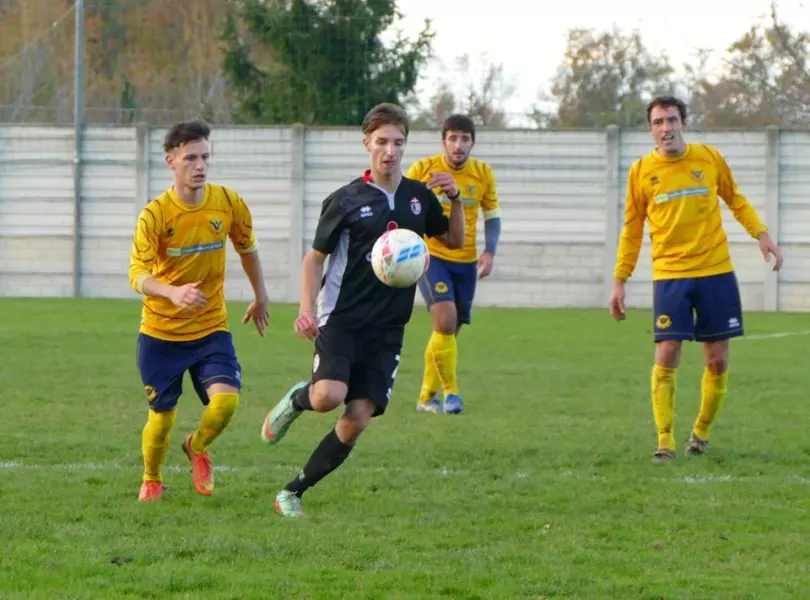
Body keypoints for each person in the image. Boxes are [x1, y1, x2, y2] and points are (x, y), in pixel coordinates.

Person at [259, 103, 465, 517]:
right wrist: (306, 309)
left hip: (388, 327)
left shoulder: (418, 198)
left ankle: (292, 493)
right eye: (383, 142)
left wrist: (456, 199)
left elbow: (455, 242)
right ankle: (297, 401)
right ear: (367, 143)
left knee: (356, 418)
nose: (390, 150)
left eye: (398, 143)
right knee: (326, 398)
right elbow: (314, 259)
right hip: (342, 317)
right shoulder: (345, 200)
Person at [608, 96, 783, 462]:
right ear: (651, 129)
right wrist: (620, 279)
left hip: (715, 272)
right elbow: (632, 229)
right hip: (670, 275)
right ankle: (665, 440)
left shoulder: (709, 158)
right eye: (658, 122)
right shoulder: (641, 171)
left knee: (717, 360)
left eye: (672, 120)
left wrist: (761, 234)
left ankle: (700, 433)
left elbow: (735, 200)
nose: (666, 128)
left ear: (684, 123)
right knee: (668, 350)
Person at [129, 119, 270, 501]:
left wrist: (261, 295)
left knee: (226, 402)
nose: (200, 165)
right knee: (161, 419)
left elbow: (247, 249)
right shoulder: (155, 215)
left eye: (205, 157)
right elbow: (137, 274)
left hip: (210, 328)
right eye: (190, 158)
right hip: (161, 334)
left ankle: (198, 447)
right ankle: (152, 479)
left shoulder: (228, 203)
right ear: (170, 161)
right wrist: (172, 293)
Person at [406, 114, 502, 414]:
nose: (458, 145)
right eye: (453, 138)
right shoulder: (423, 169)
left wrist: (490, 252)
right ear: (443, 141)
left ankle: (426, 397)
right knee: (445, 320)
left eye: (464, 139)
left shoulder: (482, 173)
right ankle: (452, 394)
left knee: (448, 331)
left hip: (466, 262)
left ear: (472, 142)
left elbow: (493, 216)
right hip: (432, 256)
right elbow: (406, 206)